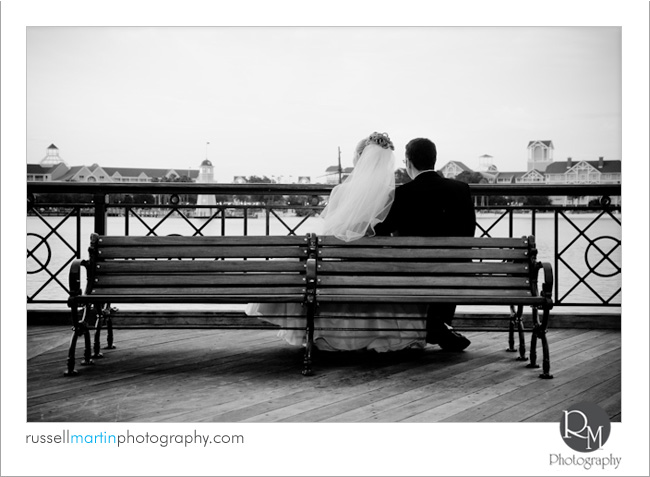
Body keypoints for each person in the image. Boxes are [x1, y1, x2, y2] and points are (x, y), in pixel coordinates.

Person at [246, 132, 427, 352]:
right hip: (377, 269)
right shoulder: (393, 195)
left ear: (360, 159)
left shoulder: (340, 191)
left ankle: (328, 334)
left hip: (338, 266)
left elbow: (331, 231)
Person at [374, 137, 476, 351]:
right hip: (455, 272)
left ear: (408, 162)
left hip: (411, 273)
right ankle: (437, 324)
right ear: (434, 160)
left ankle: (433, 326)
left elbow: (382, 231)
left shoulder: (401, 194)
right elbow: (469, 233)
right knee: (450, 267)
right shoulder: (461, 189)